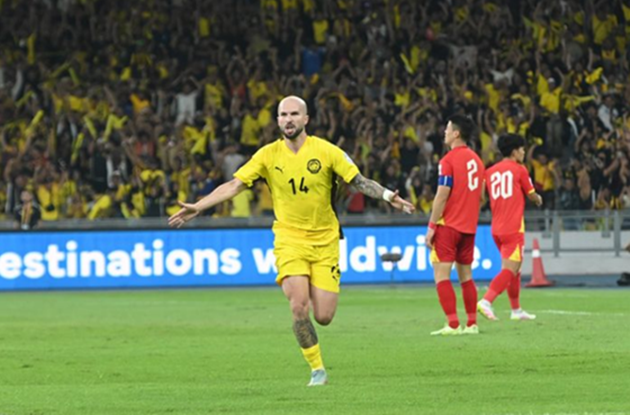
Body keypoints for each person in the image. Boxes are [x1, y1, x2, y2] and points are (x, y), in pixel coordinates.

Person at [168, 96, 415, 386]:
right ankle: (317, 370)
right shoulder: (268, 155)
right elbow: (234, 185)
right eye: (283, 114)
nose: (288, 119)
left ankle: (316, 315)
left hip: (325, 241)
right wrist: (199, 206)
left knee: (324, 316)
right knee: (298, 305)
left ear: (306, 119)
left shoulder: (327, 151)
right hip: (289, 239)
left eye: (294, 114)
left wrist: (387, 196)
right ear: (277, 120)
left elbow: (359, 181)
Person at [426, 115, 485, 336]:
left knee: (441, 275)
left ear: (456, 133)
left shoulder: (448, 161)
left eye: (448, 128)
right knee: (466, 276)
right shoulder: (478, 162)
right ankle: (472, 324)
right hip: (469, 228)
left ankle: (452, 324)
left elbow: (442, 195)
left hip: (448, 226)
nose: (445, 132)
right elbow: (481, 197)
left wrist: (432, 226)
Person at [478, 134, 543, 321]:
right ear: (514, 151)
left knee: (515, 269)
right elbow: (531, 195)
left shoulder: (489, 171)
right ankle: (486, 301)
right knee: (510, 270)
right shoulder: (520, 170)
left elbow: (481, 197)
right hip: (513, 228)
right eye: (522, 149)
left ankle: (516, 310)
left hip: (496, 229)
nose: (523, 152)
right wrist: (538, 199)